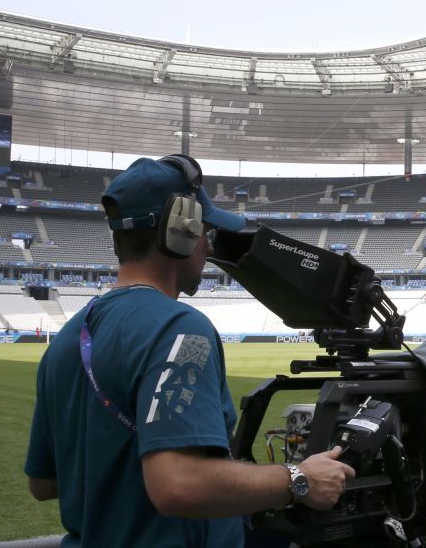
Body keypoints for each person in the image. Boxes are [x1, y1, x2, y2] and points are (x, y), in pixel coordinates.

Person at [24, 155, 354, 547]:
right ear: (178, 231)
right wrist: (298, 479)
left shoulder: (67, 338)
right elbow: (178, 484)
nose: (208, 245)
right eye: (204, 231)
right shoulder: (180, 328)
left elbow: (44, 483)